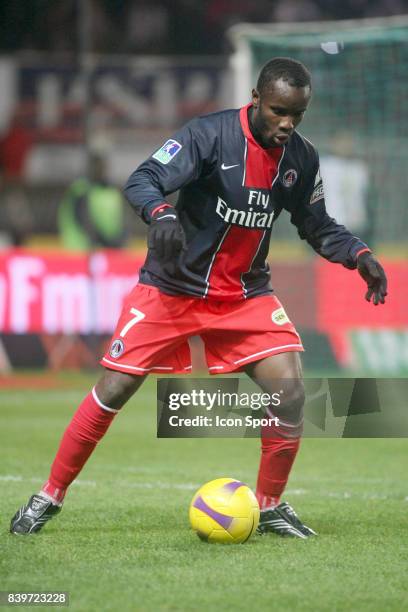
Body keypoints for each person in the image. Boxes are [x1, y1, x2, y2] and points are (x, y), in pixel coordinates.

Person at [10, 58, 387, 538]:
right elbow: (142, 179)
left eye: (297, 114)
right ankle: (49, 495)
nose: (287, 124)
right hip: (172, 288)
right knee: (114, 391)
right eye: (278, 111)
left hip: (244, 294)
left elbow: (315, 224)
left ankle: (269, 506)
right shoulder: (208, 136)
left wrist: (359, 254)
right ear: (255, 98)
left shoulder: (300, 157)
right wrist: (162, 214)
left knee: (291, 392)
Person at [58, 152, 127, 250]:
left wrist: (119, 239)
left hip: (107, 249)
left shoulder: (110, 191)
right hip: (80, 249)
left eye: (103, 167)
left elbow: (121, 219)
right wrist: (104, 241)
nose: (101, 171)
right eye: (97, 167)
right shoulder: (80, 190)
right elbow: (82, 218)